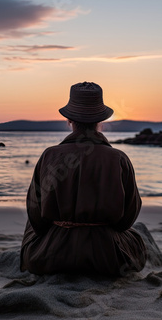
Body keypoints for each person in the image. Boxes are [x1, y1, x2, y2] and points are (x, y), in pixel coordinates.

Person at [20, 82, 147, 276]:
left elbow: (36, 217)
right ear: (101, 120)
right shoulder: (119, 159)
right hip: (109, 259)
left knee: (31, 225)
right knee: (136, 238)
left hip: (51, 259)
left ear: (69, 119)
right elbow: (126, 220)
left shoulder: (49, 156)